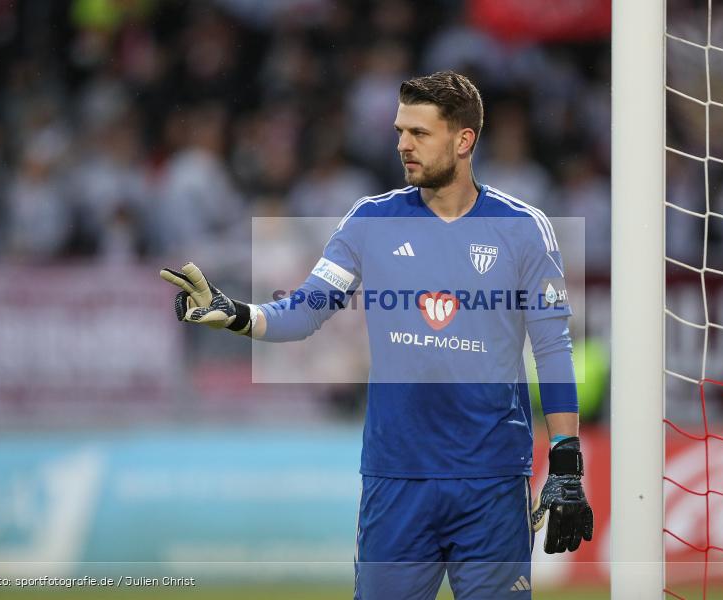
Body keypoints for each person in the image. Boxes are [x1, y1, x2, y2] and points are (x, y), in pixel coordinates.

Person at [161, 71, 592, 600]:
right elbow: (305, 311)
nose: (402, 145)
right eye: (399, 130)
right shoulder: (370, 221)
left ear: (464, 140)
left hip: (491, 482)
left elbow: (552, 349)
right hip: (397, 481)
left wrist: (567, 462)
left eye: (419, 133)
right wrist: (236, 315)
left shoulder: (523, 229)